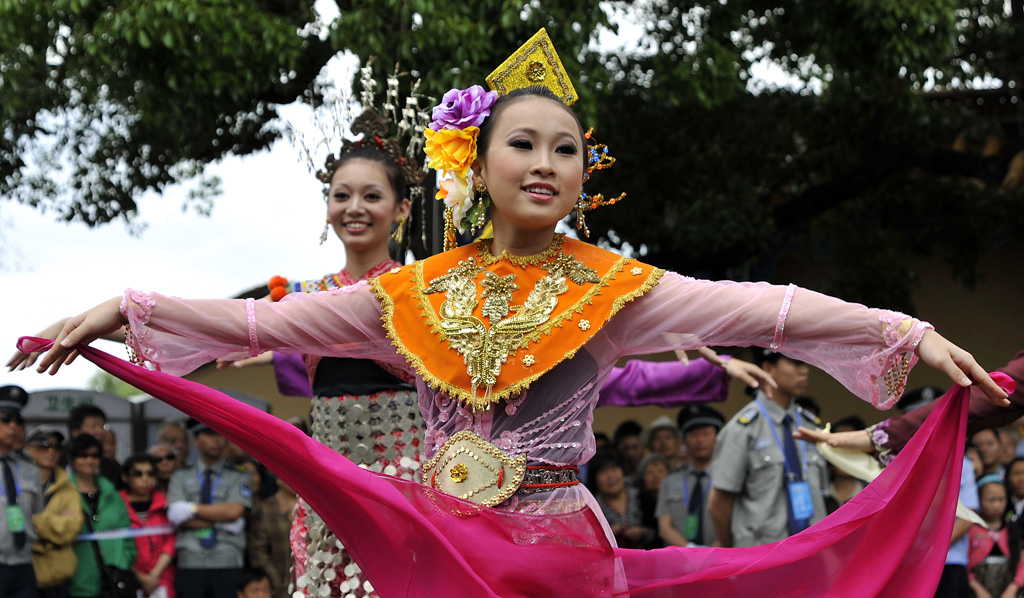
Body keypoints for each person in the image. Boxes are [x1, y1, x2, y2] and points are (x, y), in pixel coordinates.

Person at [15, 31, 1012, 595]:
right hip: (438, 538)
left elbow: (775, 311)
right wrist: (120, 308)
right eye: (524, 145)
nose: (545, 164)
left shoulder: (612, 287)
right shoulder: (409, 295)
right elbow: (258, 330)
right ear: (480, 165)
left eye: (566, 149)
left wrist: (910, 335)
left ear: (584, 173)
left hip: (555, 540)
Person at [707, 349, 828, 547]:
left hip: (813, 549)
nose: (805, 370)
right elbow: (718, 504)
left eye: (805, 363)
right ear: (768, 368)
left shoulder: (811, 426)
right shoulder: (742, 430)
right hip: (763, 555)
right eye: (795, 362)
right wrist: (737, 550)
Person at [166, 419, 250, 598]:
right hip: (191, 561)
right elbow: (176, 516)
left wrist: (190, 509)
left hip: (227, 560)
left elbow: (234, 512)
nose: (216, 440)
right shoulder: (180, 475)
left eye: (220, 434)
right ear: (196, 440)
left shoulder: (239, 474)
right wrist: (221, 519)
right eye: (210, 434)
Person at [66, 433, 135, 598]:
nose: (89, 460)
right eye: (83, 455)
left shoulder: (111, 492)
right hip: (76, 578)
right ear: (71, 458)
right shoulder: (63, 491)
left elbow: (127, 532)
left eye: (95, 455)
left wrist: (123, 560)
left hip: (112, 580)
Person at [25, 425, 83, 598]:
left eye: (57, 446)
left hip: (58, 578)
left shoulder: (69, 486)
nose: (51, 450)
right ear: (29, 449)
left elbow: (72, 529)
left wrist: (36, 520)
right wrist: (56, 522)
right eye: (44, 444)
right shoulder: (17, 482)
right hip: (25, 575)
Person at [658, 404, 724, 547]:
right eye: (693, 434)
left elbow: (735, 522)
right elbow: (664, 527)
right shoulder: (670, 480)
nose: (700, 440)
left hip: (722, 557)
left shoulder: (728, 477)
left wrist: (710, 554)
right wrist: (690, 551)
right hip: (679, 560)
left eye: (706, 433)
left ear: (717, 438)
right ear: (684, 441)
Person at [0, 385, 44, 598]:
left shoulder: (30, 470)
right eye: (6, 419)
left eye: (18, 420)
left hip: (24, 563)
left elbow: (37, 512)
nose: (13, 426)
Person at [119, 454, 175, 598]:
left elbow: (171, 542)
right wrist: (140, 577)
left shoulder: (166, 504)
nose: (145, 479)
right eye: (138, 474)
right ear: (126, 477)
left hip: (162, 579)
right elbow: (117, 546)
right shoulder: (116, 505)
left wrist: (153, 575)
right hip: (128, 579)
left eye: (150, 474)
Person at [967, 475, 1023, 598]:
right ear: (977, 499)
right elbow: (964, 564)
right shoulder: (969, 529)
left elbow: (1021, 562)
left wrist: (1014, 587)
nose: (997, 505)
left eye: (1001, 499)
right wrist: (977, 588)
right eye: (991, 500)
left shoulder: (1012, 529)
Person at [589, 452, 656, 550]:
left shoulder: (644, 498)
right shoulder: (592, 509)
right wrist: (608, 535)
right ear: (595, 480)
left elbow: (659, 534)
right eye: (603, 472)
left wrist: (643, 533)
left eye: (614, 469)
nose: (610, 476)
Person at [246, 475, 295, 598]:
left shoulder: (312, 508)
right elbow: (257, 552)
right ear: (279, 478)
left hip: (312, 584)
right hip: (279, 587)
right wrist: (276, 582)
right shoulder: (265, 509)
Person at [67, 405, 122, 490]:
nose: (100, 431)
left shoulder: (113, 468)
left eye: (102, 426)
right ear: (75, 432)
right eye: (93, 426)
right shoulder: (59, 459)